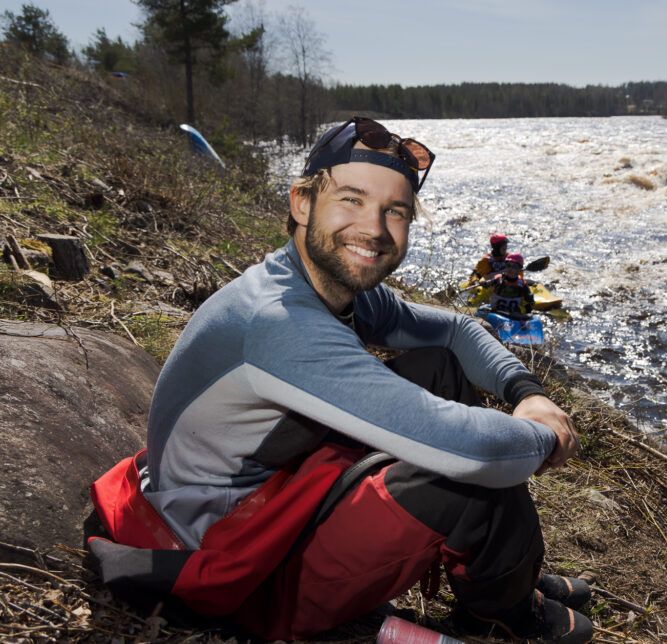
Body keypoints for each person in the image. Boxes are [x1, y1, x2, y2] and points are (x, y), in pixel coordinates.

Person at [87, 117, 593, 643]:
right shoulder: (280, 320)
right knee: (463, 479)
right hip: (238, 553)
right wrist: (548, 433)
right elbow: (474, 451)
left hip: (278, 487)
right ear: (301, 203)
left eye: (393, 211)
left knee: (437, 364)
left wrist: (526, 392)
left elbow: (458, 330)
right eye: (351, 199)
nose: (373, 229)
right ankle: (500, 616)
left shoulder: (323, 284)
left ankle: (497, 569)